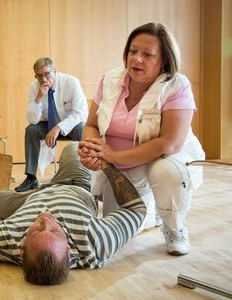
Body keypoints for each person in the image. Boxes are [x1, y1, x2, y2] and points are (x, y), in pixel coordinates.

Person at [0, 143, 146, 285]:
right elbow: (137, 209)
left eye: (37, 230)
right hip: (73, 184)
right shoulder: (97, 241)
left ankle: (35, 187)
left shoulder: (2, 241)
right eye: (55, 232)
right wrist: (106, 165)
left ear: (21, 248)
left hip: (31, 199)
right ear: (68, 251)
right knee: (73, 148)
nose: (46, 218)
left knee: (0, 199)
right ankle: (44, 183)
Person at [78, 22, 205, 256]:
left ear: (164, 60)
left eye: (147, 55)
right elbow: (91, 125)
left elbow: (169, 142)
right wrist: (92, 149)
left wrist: (113, 155)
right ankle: (153, 214)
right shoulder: (110, 79)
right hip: (116, 165)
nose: (136, 59)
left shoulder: (177, 86)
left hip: (161, 159)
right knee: (118, 224)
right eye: (133, 51)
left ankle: (174, 228)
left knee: (166, 172)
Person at [15, 57, 88, 192]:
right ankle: (31, 178)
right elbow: (32, 119)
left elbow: (81, 113)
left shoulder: (71, 82)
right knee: (31, 130)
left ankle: (84, 175)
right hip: (47, 125)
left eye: (47, 73)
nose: (43, 79)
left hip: (70, 124)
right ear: (35, 76)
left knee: (81, 128)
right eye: (39, 76)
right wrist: (38, 98)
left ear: (55, 71)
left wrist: (58, 127)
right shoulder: (34, 87)